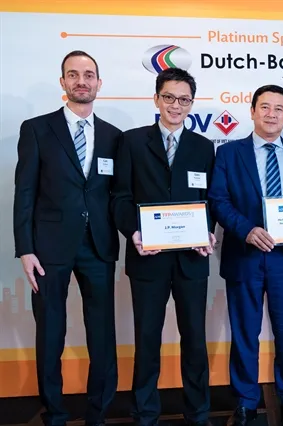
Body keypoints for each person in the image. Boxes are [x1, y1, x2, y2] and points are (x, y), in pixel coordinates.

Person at [13, 50, 121, 426]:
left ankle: (98, 414)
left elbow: (117, 194)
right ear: (63, 82)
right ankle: (55, 414)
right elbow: (24, 192)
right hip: (48, 248)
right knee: (51, 333)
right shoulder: (37, 129)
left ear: (99, 83)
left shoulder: (113, 136)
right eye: (73, 74)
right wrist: (25, 249)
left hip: (99, 246)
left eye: (89, 75)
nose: (81, 81)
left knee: (102, 336)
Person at [111, 68, 216, 426]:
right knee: (147, 340)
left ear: (191, 104)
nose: (176, 105)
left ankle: (198, 414)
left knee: (195, 341)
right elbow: (120, 197)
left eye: (184, 99)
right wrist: (133, 232)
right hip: (148, 258)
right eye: (169, 97)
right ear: (156, 99)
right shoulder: (131, 142)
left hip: (191, 259)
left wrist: (207, 231)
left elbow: (209, 199)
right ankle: (145, 414)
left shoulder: (203, 146)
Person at [209, 84, 283, 426]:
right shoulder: (229, 153)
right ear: (253, 111)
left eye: (278, 109)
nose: (271, 114)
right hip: (245, 256)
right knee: (244, 333)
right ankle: (245, 401)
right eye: (265, 107)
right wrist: (247, 230)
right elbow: (218, 200)